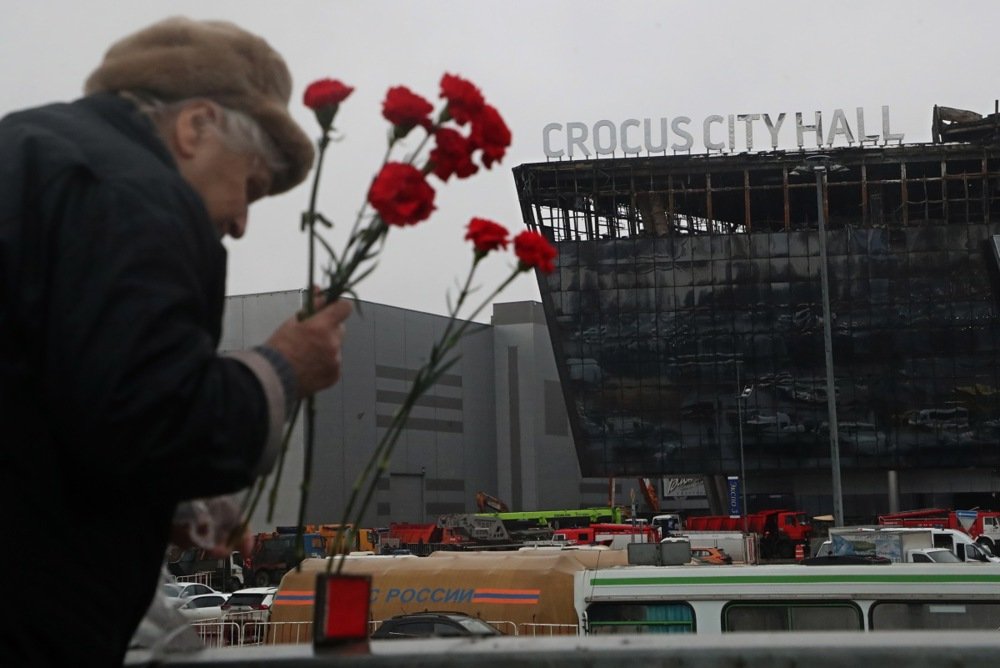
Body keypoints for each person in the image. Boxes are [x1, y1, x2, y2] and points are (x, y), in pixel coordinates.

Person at [0, 17, 351, 665]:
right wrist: (282, 369)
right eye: (250, 185)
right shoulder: (141, 192)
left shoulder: (26, 150)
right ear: (195, 128)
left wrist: (169, 503)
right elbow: (147, 417)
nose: (242, 224)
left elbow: (49, 408)